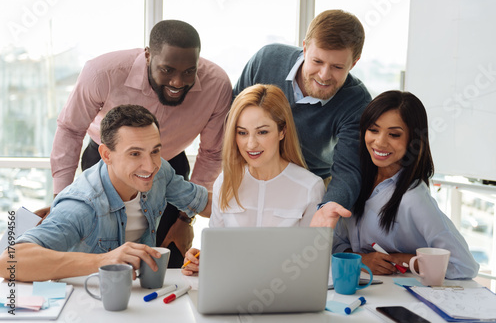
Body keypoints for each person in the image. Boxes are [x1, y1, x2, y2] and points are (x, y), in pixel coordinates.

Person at [47, 20, 232, 267]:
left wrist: (184, 220)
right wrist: (61, 200)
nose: (178, 82)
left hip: (169, 161)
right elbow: (70, 129)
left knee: (169, 257)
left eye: (189, 71)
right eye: (167, 70)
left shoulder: (217, 84)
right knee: (102, 249)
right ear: (147, 56)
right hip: (107, 159)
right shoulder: (101, 73)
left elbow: (211, 155)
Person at [0, 105, 211, 282]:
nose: (150, 166)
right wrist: (102, 261)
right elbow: (9, 261)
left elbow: (204, 203)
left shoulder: (160, 171)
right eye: (135, 154)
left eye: (155, 151)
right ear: (106, 155)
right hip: (86, 303)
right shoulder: (81, 206)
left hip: (139, 296)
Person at [182, 84, 351, 276]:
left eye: (262, 132)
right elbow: (218, 251)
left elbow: (312, 264)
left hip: (284, 293)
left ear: (282, 131)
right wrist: (202, 260)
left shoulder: (309, 187)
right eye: (242, 132)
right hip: (231, 292)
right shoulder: (226, 181)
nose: (251, 144)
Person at [233, 9, 371, 221]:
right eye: (317, 61)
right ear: (305, 48)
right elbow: (231, 118)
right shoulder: (266, 60)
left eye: (337, 67)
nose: (324, 75)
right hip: (251, 173)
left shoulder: (356, 101)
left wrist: (330, 206)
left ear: (353, 63)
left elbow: (348, 169)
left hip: (311, 185)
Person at [331, 90, 479, 279]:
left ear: (413, 140)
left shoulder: (413, 197)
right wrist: (362, 259)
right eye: (373, 130)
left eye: (394, 134)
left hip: (395, 295)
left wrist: (406, 259)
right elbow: (336, 243)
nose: (380, 142)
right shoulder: (355, 181)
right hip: (355, 286)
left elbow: (464, 266)